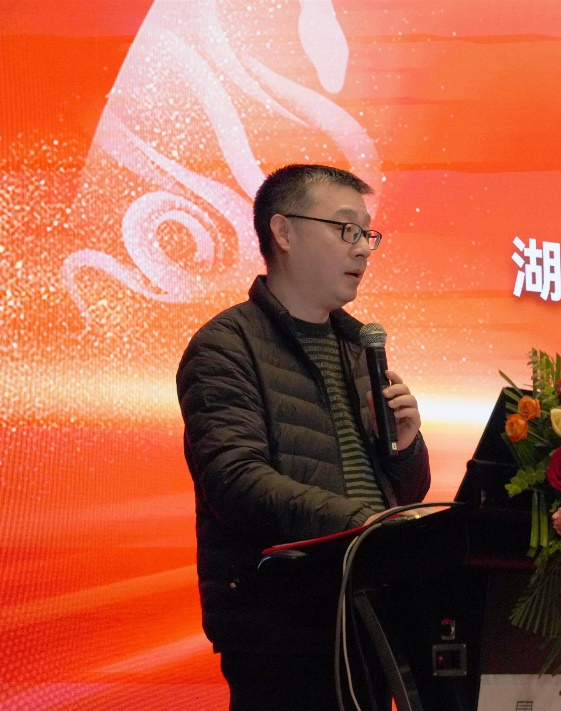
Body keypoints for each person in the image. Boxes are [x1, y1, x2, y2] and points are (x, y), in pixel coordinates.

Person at [176, 164, 430, 710]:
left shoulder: (359, 349)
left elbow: (404, 493)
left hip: (367, 614)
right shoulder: (226, 346)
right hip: (282, 627)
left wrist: (405, 447)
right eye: (345, 229)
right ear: (284, 232)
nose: (362, 248)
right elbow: (235, 482)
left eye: (367, 233)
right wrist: (365, 525)